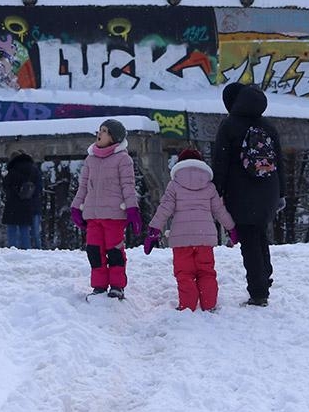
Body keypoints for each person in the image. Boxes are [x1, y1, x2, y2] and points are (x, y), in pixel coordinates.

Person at [212, 82, 284, 306]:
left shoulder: (229, 126)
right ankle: (264, 278)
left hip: (241, 192)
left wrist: (216, 191)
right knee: (260, 233)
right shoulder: (268, 126)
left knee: (249, 240)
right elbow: (280, 161)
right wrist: (281, 192)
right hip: (269, 190)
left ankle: (258, 291)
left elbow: (221, 161)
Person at [143, 147, 238, 312]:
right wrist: (232, 228)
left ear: (180, 164)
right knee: (206, 272)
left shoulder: (174, 185)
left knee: (184, 273)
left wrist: (154, 231)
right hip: (204, 239)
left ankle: (187, 306)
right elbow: (219, 211)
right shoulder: (209, 186)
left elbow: (164, 209)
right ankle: (209, 304)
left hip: (182, 239)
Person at [70, 119, 142, 299]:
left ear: (113, 137)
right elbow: (83, 186)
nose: (99, 133)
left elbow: (128, 186)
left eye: (104, 131)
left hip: (114, 216)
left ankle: (117, 286)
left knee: (114, 251)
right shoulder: (91, 159)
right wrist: (76, 207)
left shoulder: (123, 159)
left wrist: (132, 209)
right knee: (94, 251)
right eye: (99, 130)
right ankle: (99, 286)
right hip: (93, 216)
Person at [2, 151, 43, 249]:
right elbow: (39, 187)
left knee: (12, 229)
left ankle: (13, 250)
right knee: (25, 229)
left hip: (12, 204)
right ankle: (27, 250)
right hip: (28, 203)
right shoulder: (33, 169)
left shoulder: (12, 170)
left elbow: (6, 186)